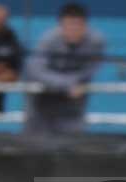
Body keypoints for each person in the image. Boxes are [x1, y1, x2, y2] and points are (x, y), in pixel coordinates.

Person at [23, 3, 105, 135]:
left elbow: (92, 67)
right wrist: (66, 84)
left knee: (72, 140)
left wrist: (77, 83)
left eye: (78, 25)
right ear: (60, 26)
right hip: (43, 95)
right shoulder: (48, 40)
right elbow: (34, 70)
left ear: (85, 25)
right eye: (69, 25)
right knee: (37, 141)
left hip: (73, 98)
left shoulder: (96, 42)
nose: (73, 30)